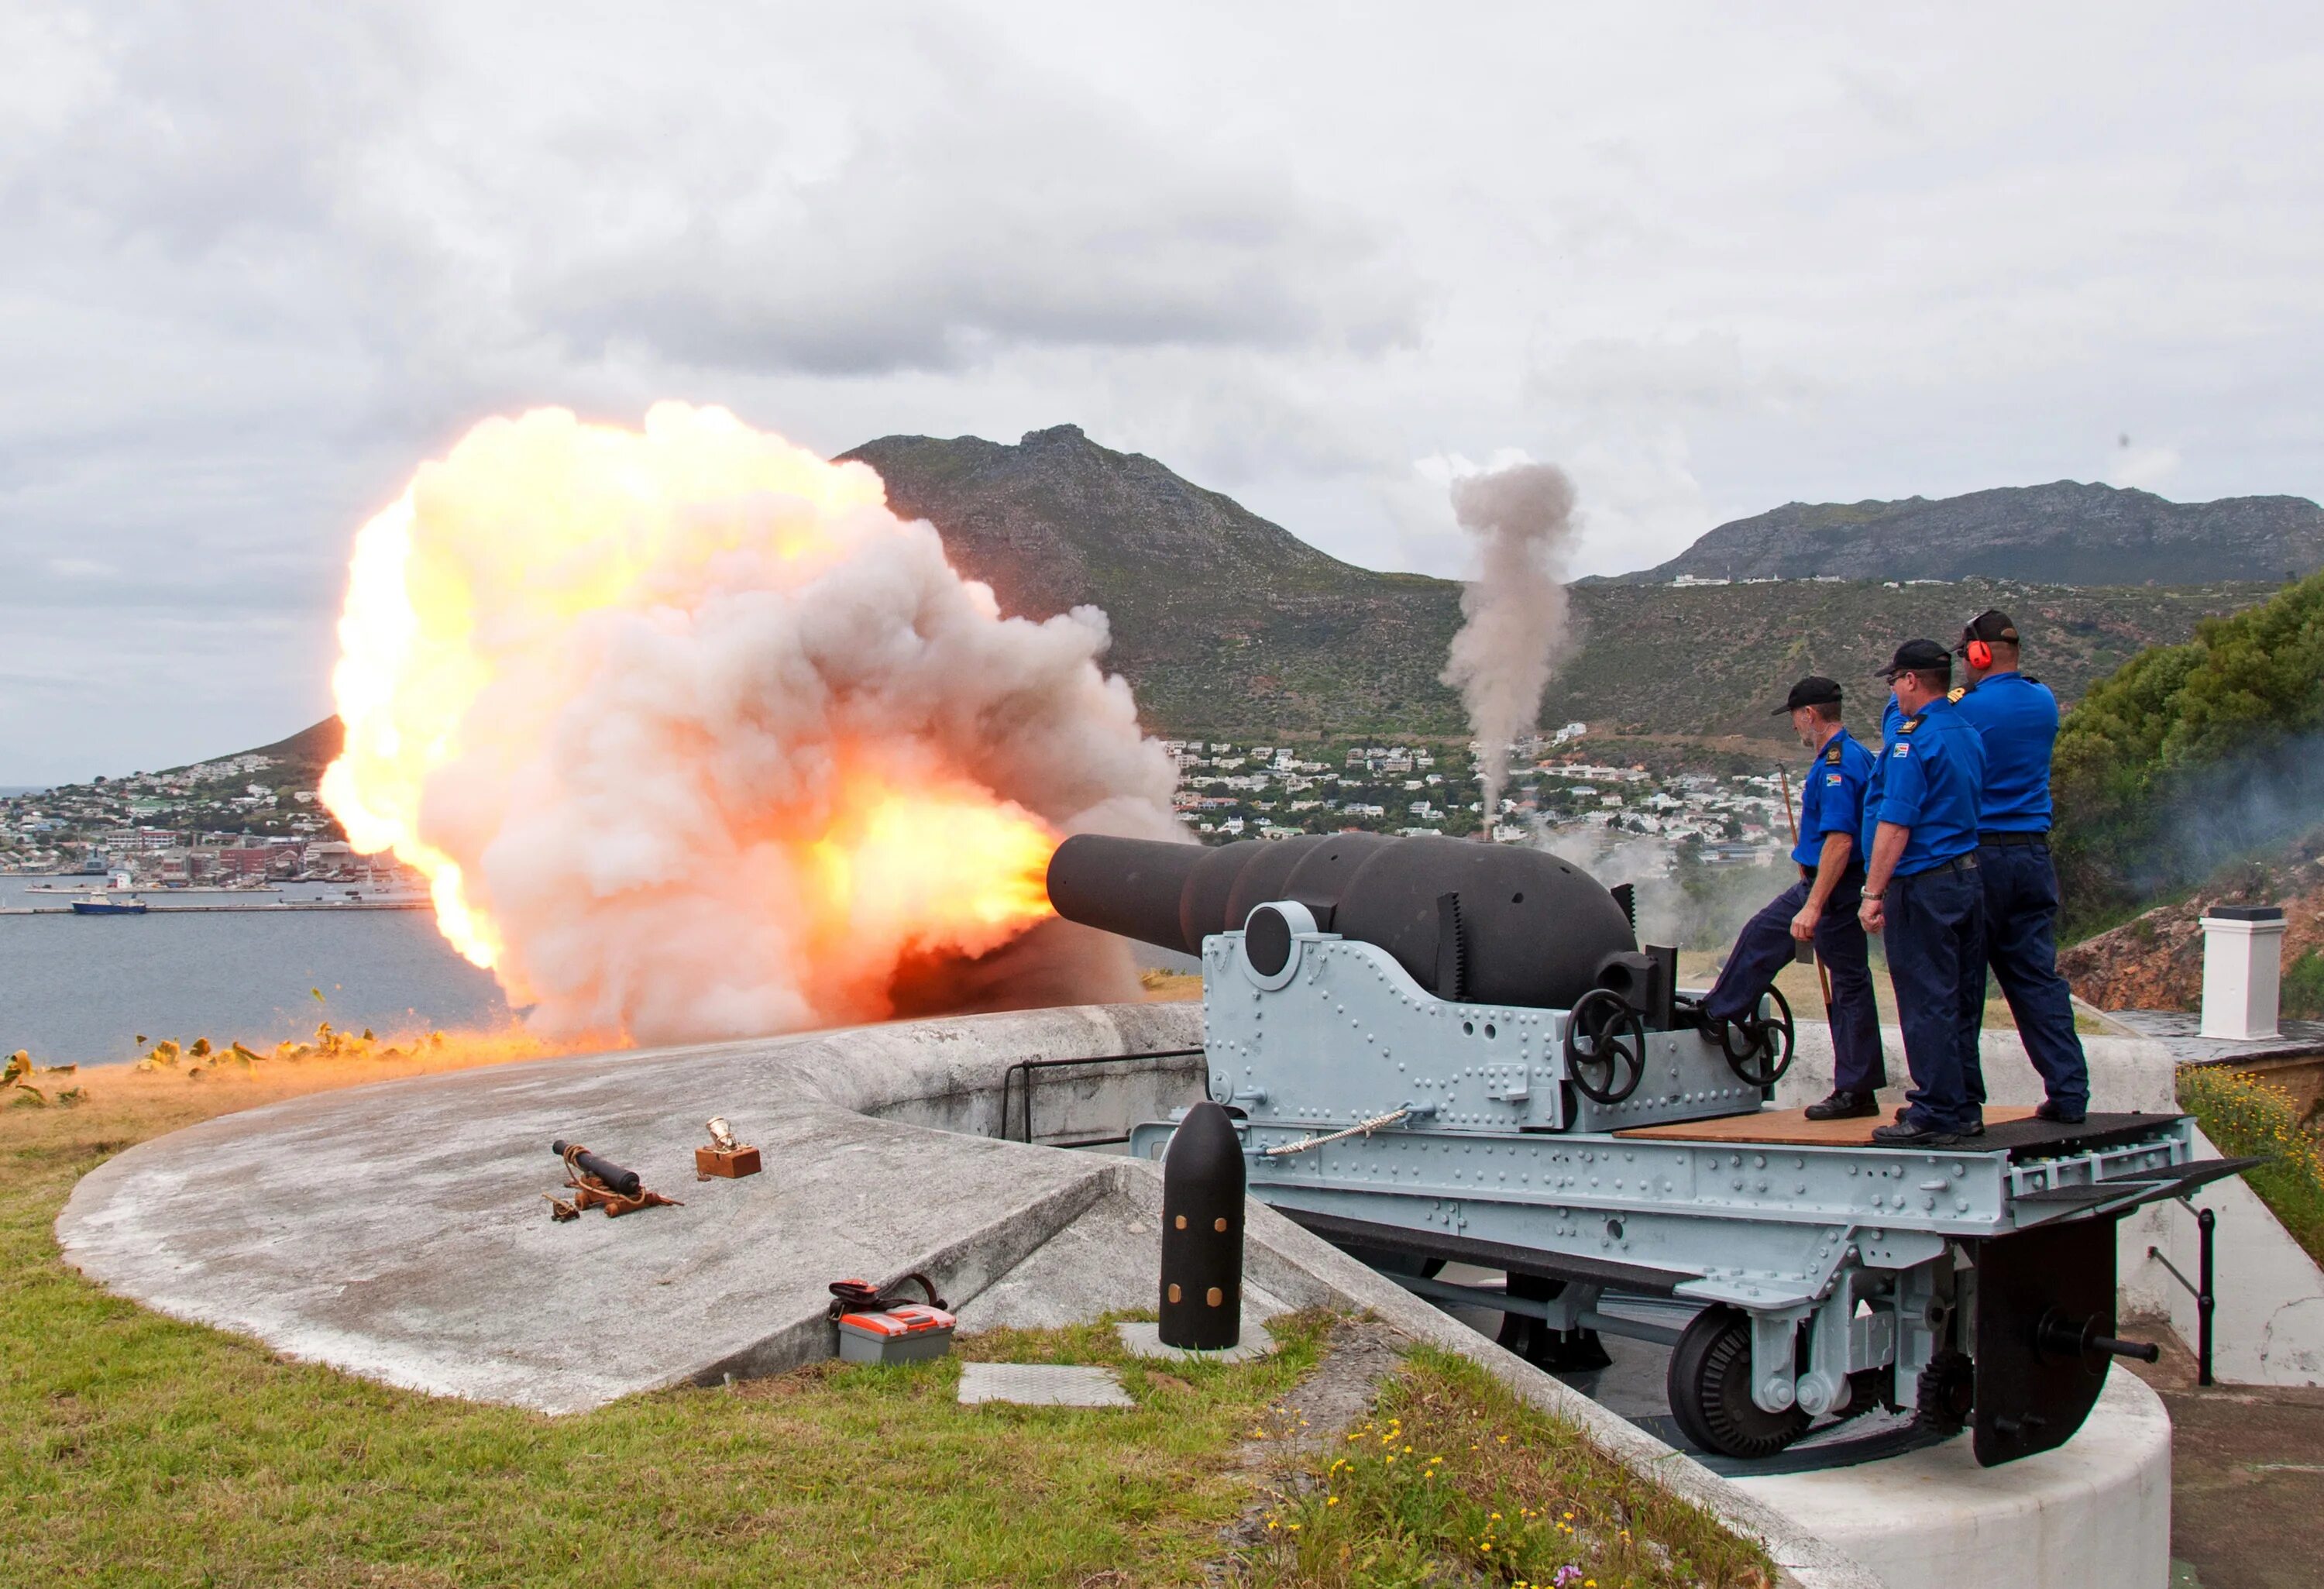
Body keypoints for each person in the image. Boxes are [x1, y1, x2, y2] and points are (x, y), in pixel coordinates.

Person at [1702, 676, 1885, 1119]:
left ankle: (1856, 1089)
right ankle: (1719, 1012)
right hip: (1826, 884)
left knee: (1846, 984)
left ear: (1810, 715)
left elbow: (1840, 841)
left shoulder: (1838, 763)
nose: (1795, 730)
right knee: (1766, 938)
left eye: (1796, 720)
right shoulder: (1851, 755)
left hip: (1832, 888)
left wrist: (1814, 905)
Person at [1949, 610, 2092, 1123]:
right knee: (2037, 981)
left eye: (1965, 653)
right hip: (2033, 856)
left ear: (1980, 653)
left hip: (1979, 856)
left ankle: (1963, 1102)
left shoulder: (1964, 708)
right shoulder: (2044, 700)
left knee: (1963, 983)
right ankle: (2070, 1092)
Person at [1859, 639, 1989, 1147]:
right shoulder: (1966, 731)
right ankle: (1964, 1103)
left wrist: (1873, 892)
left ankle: (1935, 1109)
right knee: (1961, 998)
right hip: (1967, 876)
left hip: (1924, 884)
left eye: (1895, 680)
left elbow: (1896, 822)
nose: (1893, 689)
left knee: (1926, 999)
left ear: (1912, 680)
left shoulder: (1913, 741)